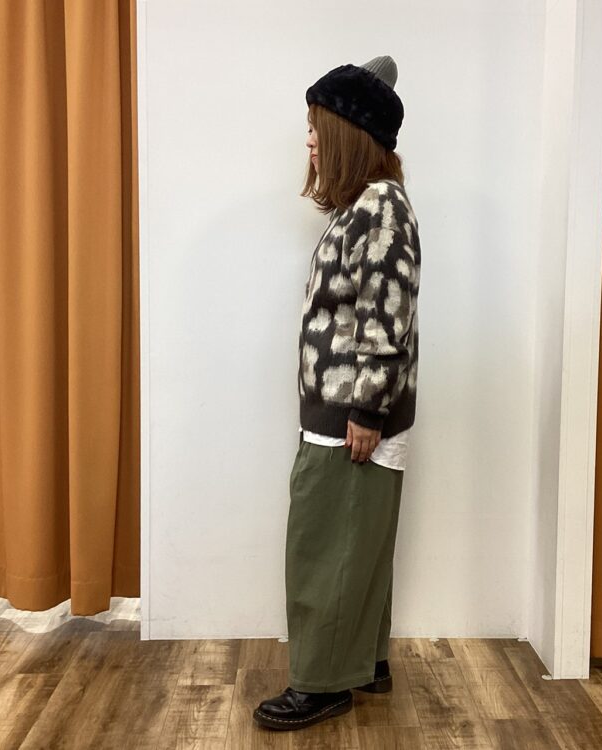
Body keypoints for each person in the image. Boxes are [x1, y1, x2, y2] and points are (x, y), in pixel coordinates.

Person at [253, 54, 421, 732]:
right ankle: (365, 663)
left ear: (352, 134)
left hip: (354, 414)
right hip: (349, 409)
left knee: (325, 546)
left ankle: (323, 683)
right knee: (358, 541)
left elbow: (386, 317)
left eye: (318, 128)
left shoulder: (379, 210)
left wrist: (366, 409)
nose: (310, 142)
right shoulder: (366, 206)